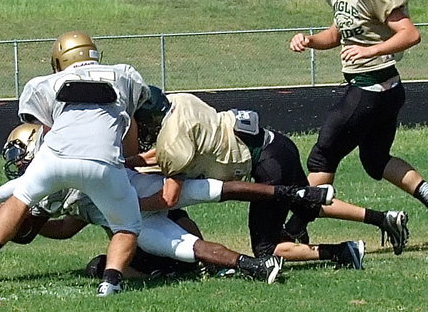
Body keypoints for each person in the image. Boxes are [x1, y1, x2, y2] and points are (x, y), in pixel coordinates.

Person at [0, 123, 334, 286]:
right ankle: (254, 263)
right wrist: (19, 218)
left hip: (137, 199)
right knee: (192, 233)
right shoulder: (49, 183)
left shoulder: (56, 168)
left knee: (213, 190)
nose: (19, 164)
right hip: (132, 211)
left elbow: (8, 203)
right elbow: (61, 224)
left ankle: (297, 195)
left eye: (20, 155)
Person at [287, 0, 428, 246]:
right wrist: (310, 40)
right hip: (386, 90)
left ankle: (295, 227)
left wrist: (370, 50)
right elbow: (337, 34)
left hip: (368, 89)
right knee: (375, 160)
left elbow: (409, 34)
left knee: (321, 158)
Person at [0, 31, 151, 296]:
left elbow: (46, 126)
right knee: (127, 226)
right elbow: (132, 117)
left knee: (21, 198)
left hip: (56, 155)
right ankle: (111, 282)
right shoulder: (125, 74)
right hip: (102, 161)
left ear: (60, 59)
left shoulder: (46, 83)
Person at [146, 91, 410, 269]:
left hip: (266, 164)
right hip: (278, 145)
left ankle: (342, 252)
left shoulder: (174, 139)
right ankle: (383, 218)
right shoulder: (181, 103)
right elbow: (165, 151)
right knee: (309, 203)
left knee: (267, 249)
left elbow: (171, 190)